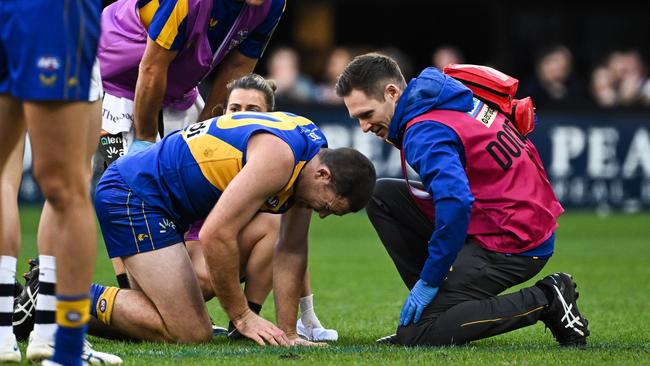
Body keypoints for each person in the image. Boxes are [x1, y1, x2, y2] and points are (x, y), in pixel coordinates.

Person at [335, 53, 590, 347]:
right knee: (382, 196)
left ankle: (547, 298)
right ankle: (442, 306)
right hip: (519, 216)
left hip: (513, 242)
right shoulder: (440, 93)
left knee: (416, 335)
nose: (364, 127)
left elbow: (455, 203)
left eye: (366, 115)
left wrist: (430, 280)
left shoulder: (423, 129)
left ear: (392, 93)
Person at [88, 111, 375, 344]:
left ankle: (51, 309)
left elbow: (292, 248)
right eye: (327, 206)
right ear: (323, 174)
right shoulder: (281, 159)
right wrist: (242, 315)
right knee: (192, 333)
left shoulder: (311, 157)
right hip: (135, 192)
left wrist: (288, 333)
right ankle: (57, 291)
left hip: (160, 200)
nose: (322, 215)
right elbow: (216, 234)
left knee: (158, 320)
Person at [0, 1, 122, 365]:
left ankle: (62, 347)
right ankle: (50, 340)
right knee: (65, 185)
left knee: (63, 186)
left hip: (51, 13)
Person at [182, 74, 338, 341]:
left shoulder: (278, 157)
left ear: (270, 117)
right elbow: (207, 234)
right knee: (187, 322)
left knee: (276, 224)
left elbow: (293, 245)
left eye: (253, 110)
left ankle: (245, 321)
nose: (242, 117)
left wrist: (307, 316)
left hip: (229, 249)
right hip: (192, 249)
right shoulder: (213, 151)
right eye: (235, 109)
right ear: (222, 112)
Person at [95, 0, 286, 164]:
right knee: (117, 187)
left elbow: (236, 70)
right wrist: (145, 140)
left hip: (177, 91)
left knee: (188, 180)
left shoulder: (273, 5)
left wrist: (206, 132)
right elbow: (152, 68)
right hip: (113, 80)